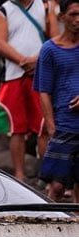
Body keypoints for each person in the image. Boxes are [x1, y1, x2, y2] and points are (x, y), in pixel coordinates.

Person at [0, 0, 59, 181]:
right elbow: (0, 43)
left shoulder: (46, 5)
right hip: (14, 75)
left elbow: (55, 38)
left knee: (44, 126)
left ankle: (46, 176)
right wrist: (24, 60)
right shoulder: (3, 11)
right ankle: (19, 175)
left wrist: (38, 60)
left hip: (42, 73)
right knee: (17, 128)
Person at [33, 0, 79, 202]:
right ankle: (49, 224)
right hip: (64, 124)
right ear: (62, 17)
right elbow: (44, 91)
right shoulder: (50, 49)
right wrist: (51, 128)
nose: (78, 20)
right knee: (57, 185)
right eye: (73, 14)